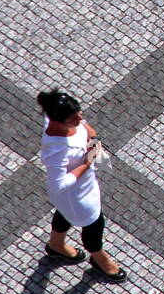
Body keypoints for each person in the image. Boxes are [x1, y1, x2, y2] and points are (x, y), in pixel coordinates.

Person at [36, 89, 127, 282]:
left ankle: (56, 244)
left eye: (80, 114)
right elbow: (59, 184)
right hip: (76, 195)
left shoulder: (55, 118)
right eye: (75, 118)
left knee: (64, 213)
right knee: (94, 223)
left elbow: (82, 125)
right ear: (58, 121)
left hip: (82, 188)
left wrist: (87, 129)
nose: (80, 119)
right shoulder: (57, 150)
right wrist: (87, 162)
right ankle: (99, 258)